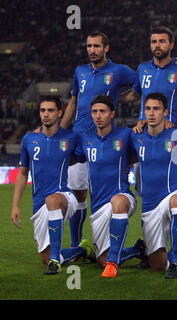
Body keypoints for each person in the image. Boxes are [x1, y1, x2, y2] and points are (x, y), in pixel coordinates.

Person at [60, 31, 138, 248]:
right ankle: (77, 245)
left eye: (96, 46)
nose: (92, 50)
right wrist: (60, 131)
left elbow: (143, 87)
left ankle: (107, 242)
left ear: (106, 48)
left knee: (104, 192)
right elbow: (74, 102)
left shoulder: (119, 71)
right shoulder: (80, 71)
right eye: (89, 46)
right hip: (78, 138)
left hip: (104, 139)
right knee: (77, 193)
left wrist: (118, 99)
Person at [11, 96, 94, 275]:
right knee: (44, 258)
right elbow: (23, 173)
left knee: (53, 199)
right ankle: (82, 250)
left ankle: (56, 261)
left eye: (50, 110)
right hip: (39, 204)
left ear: (59, 113)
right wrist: (15, 205)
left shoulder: (71, 138)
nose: (46, 114)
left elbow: (80, 159)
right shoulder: (29, 139)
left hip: (64, 196)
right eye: (43, 110)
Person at [131, 92, 177, 279]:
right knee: (157, 265)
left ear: (165, 112)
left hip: (173, 193)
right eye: (148, 109)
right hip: (149, 206)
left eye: (156, 109)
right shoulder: (135, 136)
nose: (152, 113)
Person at [76, 95, 144, 278]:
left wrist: (145, 125)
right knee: (102, 260)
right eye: (94, 112)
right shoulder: (85, 138)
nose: (98, 115)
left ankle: (113, 265)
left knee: (118, 201)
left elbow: (142, 152)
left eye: (102, 111)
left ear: (112, 113)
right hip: (98, 207)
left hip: (122, 197)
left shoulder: (125, 134)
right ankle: (136, 250)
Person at [121, 26, 177, 128]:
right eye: (154, 42)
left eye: (162, 41)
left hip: (171, 133)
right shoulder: (142, 68)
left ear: (171, 45)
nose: (157, 45)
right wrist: (112, 97)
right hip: (144, 131)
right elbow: (135, 94)